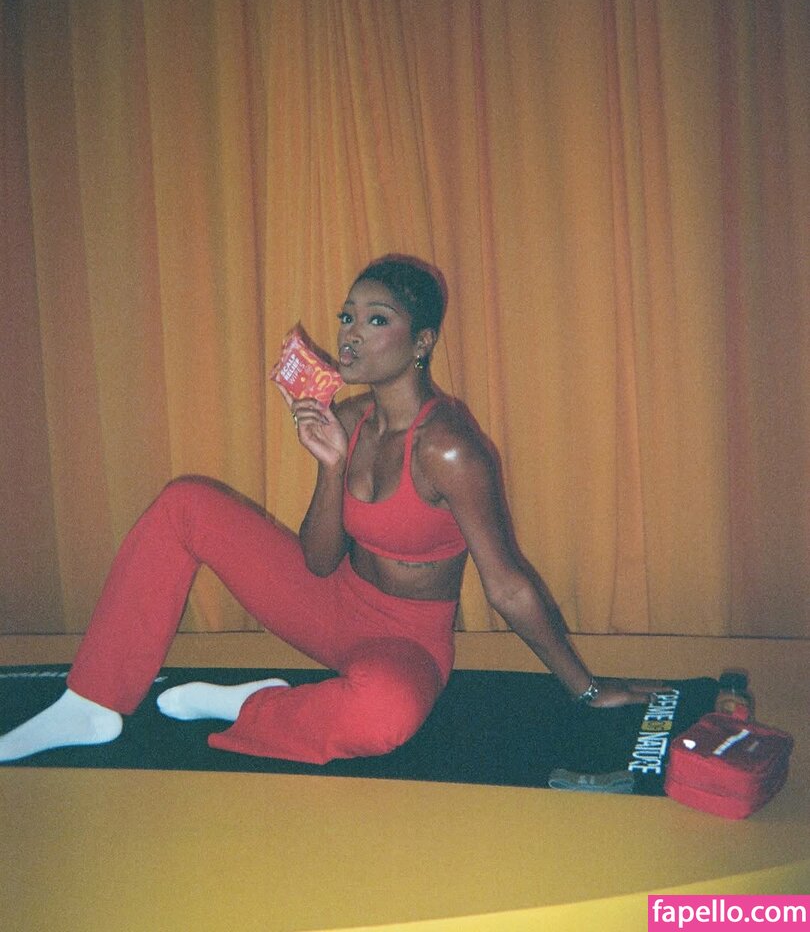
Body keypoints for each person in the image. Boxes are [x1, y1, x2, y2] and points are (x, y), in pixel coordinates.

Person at [0, 255, 662, 765]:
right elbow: (317, 563)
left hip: (405, 642)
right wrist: (330, 466)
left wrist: (585, 688)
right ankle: (91, 703)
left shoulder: (450, 449)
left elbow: (508, 585)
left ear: (422, 341)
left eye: (376, 320)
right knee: (185, 504)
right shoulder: (350, 418)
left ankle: (258, 706)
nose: (351, 334)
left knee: (382, 716)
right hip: (331, 603)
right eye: (347, 317)